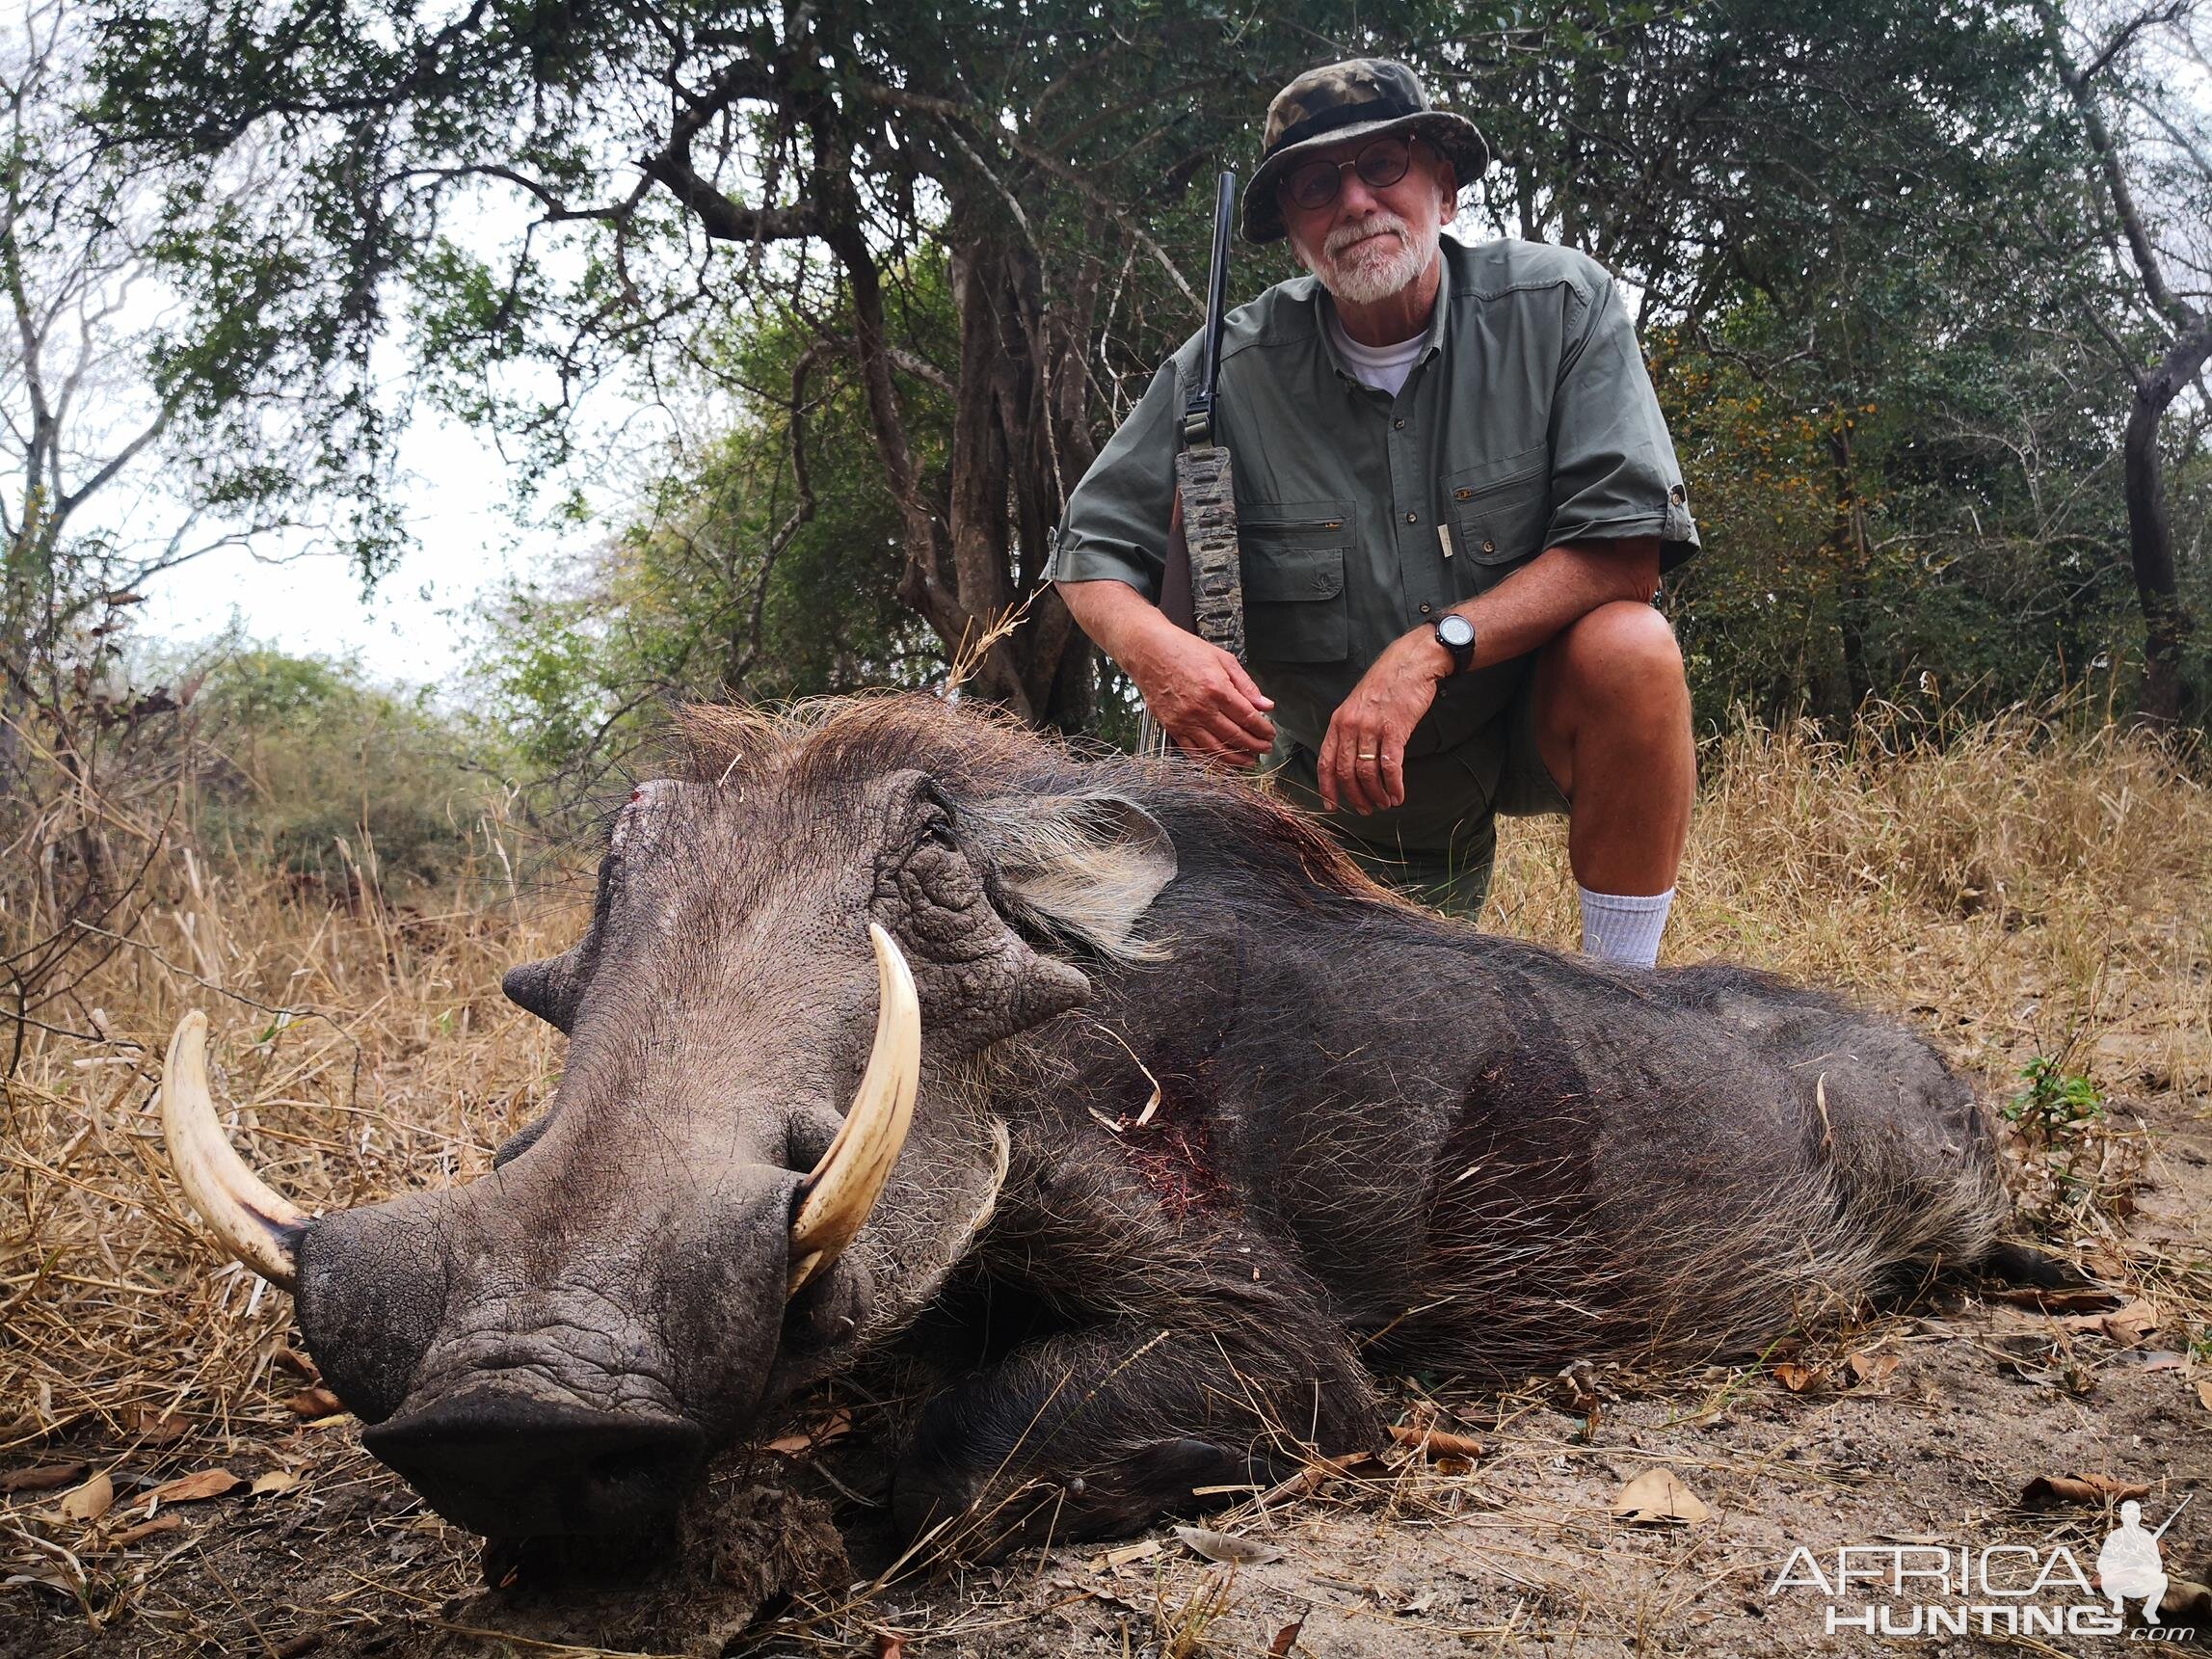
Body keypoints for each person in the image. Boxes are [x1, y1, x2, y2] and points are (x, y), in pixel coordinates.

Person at [1046, 58, 1700, 968]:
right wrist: (1160, 652)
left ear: (1445, 187)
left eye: (1382, 166)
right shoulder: (1218, 373)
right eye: (1317, 186)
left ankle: (1626, 1002)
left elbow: (1626, 551)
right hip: (1310, 791)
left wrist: (1430, 650)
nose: (1354, 202)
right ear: (1294, 233)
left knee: (1631, 646)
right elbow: (1086, 551)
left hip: (1508, 736)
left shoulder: (1561, 306)